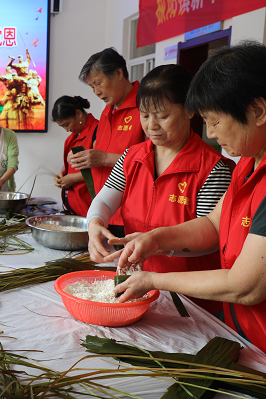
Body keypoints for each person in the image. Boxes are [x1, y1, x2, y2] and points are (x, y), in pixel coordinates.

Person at [110, 42, 266, 396]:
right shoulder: (255, 152)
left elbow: (248, 285)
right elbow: (214, 223)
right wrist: (156, 238)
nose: (210, 133)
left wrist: (154, 279)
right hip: (252, 339)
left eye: (214, 121)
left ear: (257, 110)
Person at [87, 65, 232, 314]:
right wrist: (93, 224)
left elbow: (212, 238)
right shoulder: (132, 157)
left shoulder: (212, 168)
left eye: (162, 116)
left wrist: (159, 245)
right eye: (145, 115)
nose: (151, 125)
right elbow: (104, 201)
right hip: (138, 288)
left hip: (193, 299)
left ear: (189, 110)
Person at [72, 48, 146, 237]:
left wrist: (104, 158)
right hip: (104, 211)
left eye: (98, 83)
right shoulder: (107, 112)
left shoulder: (144, 107)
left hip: (131, 215)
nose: (96, 92)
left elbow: (152, 160)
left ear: (119, 74)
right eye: (92, 87)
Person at [52, 96, 99, 216]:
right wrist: (62, 173)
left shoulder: (98, 132)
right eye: (62, 126)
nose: (66, 130)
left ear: (78, 113)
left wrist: (72, 178)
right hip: (75, 207)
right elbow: (72, 164)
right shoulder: (73, 137)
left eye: (66, 124)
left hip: (90, 206)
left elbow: (101, 171)